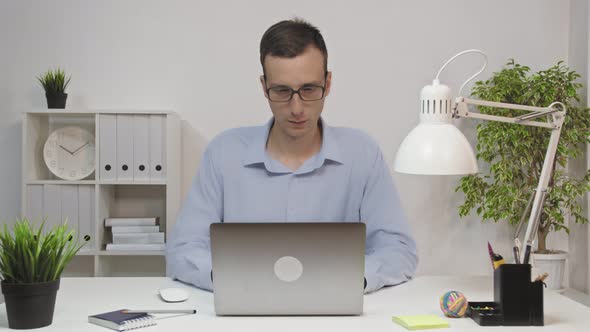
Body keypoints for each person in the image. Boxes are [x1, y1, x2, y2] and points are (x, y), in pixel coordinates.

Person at [166, 18, 417, 293]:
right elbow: (184, 249)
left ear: (328, 83)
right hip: (244, 310)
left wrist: (351, 280)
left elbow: (399, 250)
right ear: (264, 87)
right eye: (282, 91)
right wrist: (231, 279)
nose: (296, 108)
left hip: (336, 311)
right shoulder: (223, 152)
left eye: (309, 89)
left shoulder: (362, 153)